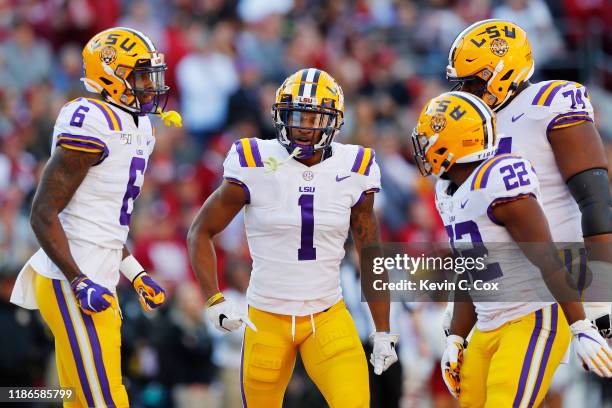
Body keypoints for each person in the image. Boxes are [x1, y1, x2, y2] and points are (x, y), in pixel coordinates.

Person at [187, 68, 398, 407]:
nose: (301, 125)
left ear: (333, 121)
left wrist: (383, 330)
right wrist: (213, 299)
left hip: (327, 314)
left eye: (312, 117)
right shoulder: (254, 161)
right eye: (294, 115)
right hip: (266, 318)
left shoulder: (354, 166)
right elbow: (201, 230)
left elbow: (370, 252)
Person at [10, 27, 181, 407]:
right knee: (103, 400)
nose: (151, 87)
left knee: (84, 398)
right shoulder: (91, 119)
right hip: (70, 277)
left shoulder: (139, 126)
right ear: (110, 74)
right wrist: (78, 280)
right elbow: (42, 214)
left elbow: (104, 222)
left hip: (100, 273)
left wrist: (135, 273)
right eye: (140, 76)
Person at [412, 91, 612, 406]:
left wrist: (580, 326)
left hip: (532, 317)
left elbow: (548, 257)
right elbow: (471, 270)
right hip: (489, 323)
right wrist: (456, 337)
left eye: (429, 137)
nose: (423, 146)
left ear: (453, 141)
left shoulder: (498, 180)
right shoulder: (446, 191)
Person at [445, 19, 611, 340]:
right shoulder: (476, 128)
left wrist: (603, 291)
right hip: (513, 289)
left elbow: (596, 199)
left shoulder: (548, 103)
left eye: (475, 84)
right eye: (462, 85)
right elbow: (476, 229)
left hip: (570, 272)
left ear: (505, 72)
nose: (466, 93)